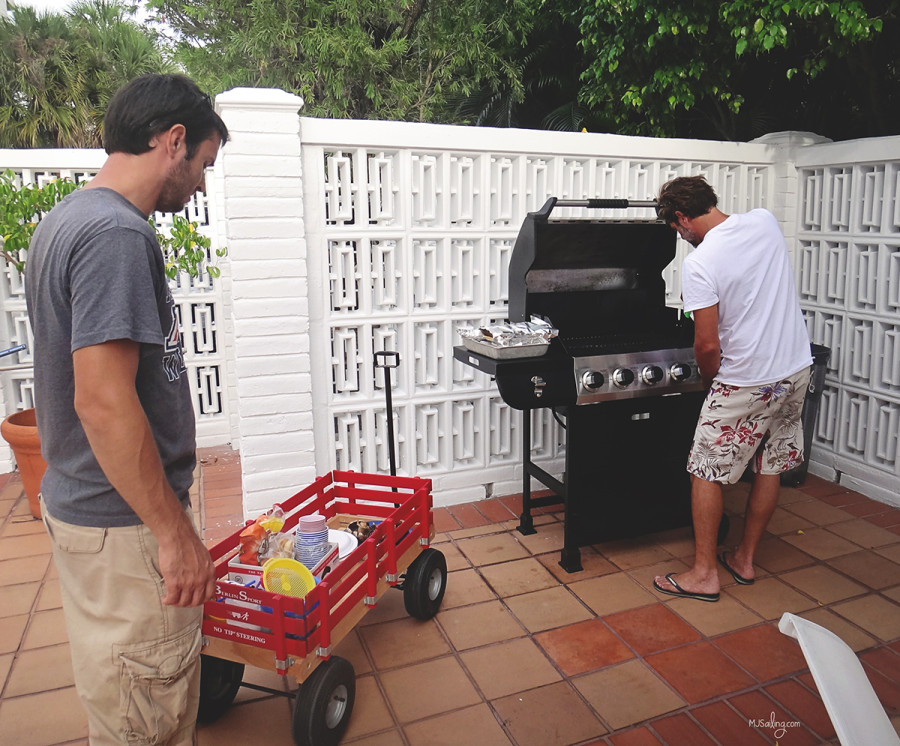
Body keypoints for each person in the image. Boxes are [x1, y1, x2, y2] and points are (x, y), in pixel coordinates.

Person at [25, 74, 229, 744]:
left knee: (117, 688)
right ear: (173, 142)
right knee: (147, 705)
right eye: (203, 164)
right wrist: (175, 537)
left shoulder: (67, 218)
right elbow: (104, 403)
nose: (201, 184)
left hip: (85, 507)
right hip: (125, 524)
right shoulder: (116, 235)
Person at [651, 175, 813, 603]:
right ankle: (743, 559)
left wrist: (711, 386)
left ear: (683, 218)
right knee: (772, 463)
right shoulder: (764, 221)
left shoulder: (701, 263)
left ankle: (704, 574)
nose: (680, 237)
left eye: (676, 228)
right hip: (795, 367)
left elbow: (706, 343)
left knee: (704, 470)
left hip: (747, 379)